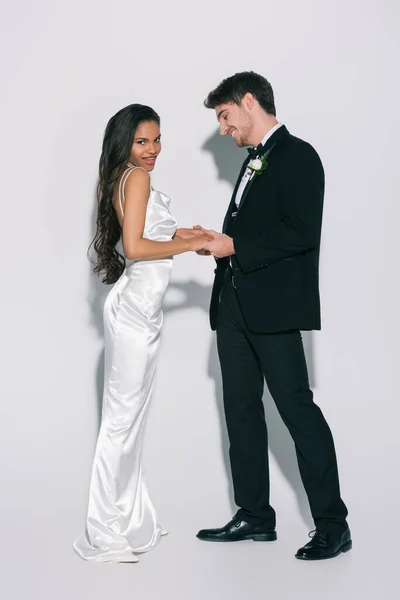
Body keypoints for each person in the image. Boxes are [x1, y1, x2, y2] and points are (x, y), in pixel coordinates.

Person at [195, 72, 351, 560]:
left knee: (297, 412)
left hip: (276, 310)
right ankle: (255, 516)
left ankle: (332, 524)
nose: (223, 129)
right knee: (240, 411)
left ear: (247, 103)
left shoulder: (299, 156)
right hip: (235, 306)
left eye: (224, 116)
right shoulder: (252, 161)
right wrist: (218, 245)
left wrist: (234, 245)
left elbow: (301, 232)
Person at [73, 104, 212, 563]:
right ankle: (105, 529)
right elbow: (135, 248)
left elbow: (150, 232)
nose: (152, 150)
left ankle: (129, 516)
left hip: (140, 312)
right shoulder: (136, 178)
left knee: (130, 420)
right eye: (142, 141)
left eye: (156, 140)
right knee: (121, 421)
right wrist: (187, 245)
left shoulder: (129, 177)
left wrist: (188, 233)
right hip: (133, 313)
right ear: (125, 144)